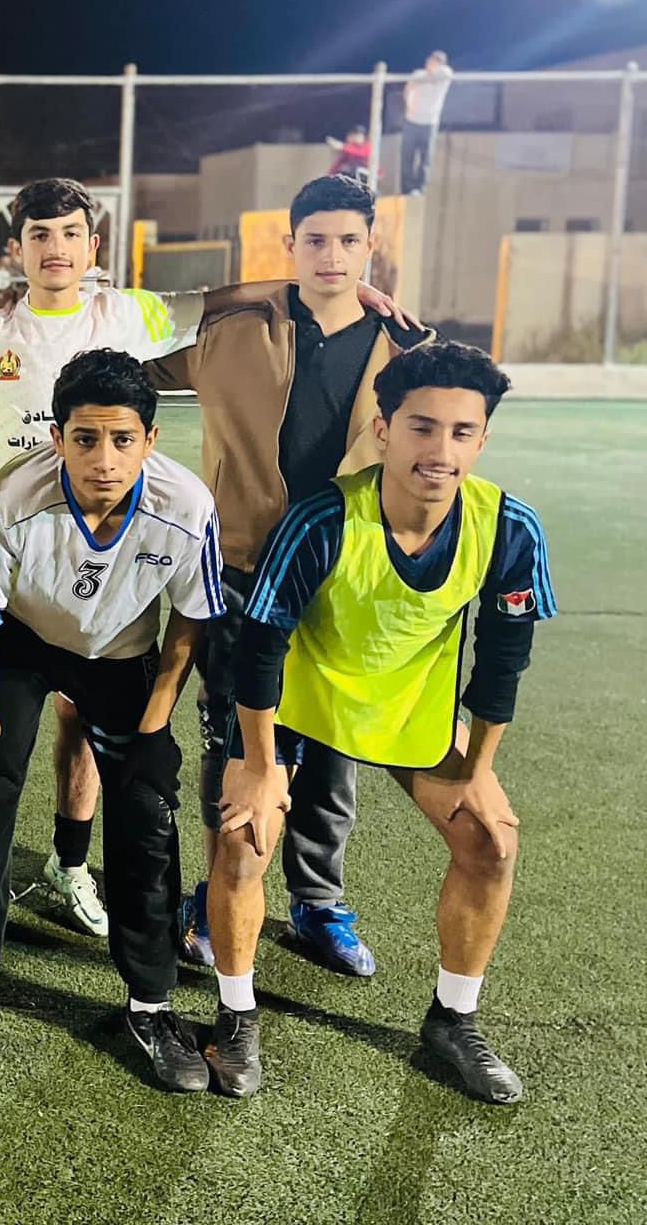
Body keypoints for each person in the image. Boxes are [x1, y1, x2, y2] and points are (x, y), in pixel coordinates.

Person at [207, 343, 551, 1104]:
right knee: (243, 840)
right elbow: (260, 650)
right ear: (384, 429)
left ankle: (453, 1021)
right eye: (422, 427)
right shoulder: (322, 519)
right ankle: (235, 1017)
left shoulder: (508, 528)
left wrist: (478, 770)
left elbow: (503, 664)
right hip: (297, 702)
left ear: (483, 440)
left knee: (491, 842)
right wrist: (258, 767)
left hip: (407, 708)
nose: (440, 450)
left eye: (461, 432)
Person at [148, 173, 431, 976]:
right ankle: (214, 894)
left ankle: (317, 901)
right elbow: (137, 342)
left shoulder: (405, 352)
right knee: (235, 745)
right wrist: (257, 291)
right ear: (290, 245)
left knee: (334, 750)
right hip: (240, 568)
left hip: (345, 578)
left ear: (371, 246)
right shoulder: (233, 333)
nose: (331, 256)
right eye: (315, 241)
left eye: (348, 241)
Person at [0, 350, 223, 1091]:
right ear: (56, 437)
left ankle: (151, 1003)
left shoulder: (188, 507)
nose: (104, 459)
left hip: (121, 654)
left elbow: (188, 625)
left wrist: (154, 728)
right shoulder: (14, 497)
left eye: (123, 440)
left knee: (146, 811)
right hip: (20, 646)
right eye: (85, 439)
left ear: (151, 439)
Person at [402, 50, 454, 195]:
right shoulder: (418, 74)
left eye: (436, 61)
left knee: (426, 158)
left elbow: (446, 73)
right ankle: (407, 188)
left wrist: (433, 73)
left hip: (430, 122)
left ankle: (420, 188)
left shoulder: (444, 75)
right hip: (411, 119)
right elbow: (407, 89)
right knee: (407, 156)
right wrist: (409, 105)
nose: (432, 63)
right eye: (431, 60)